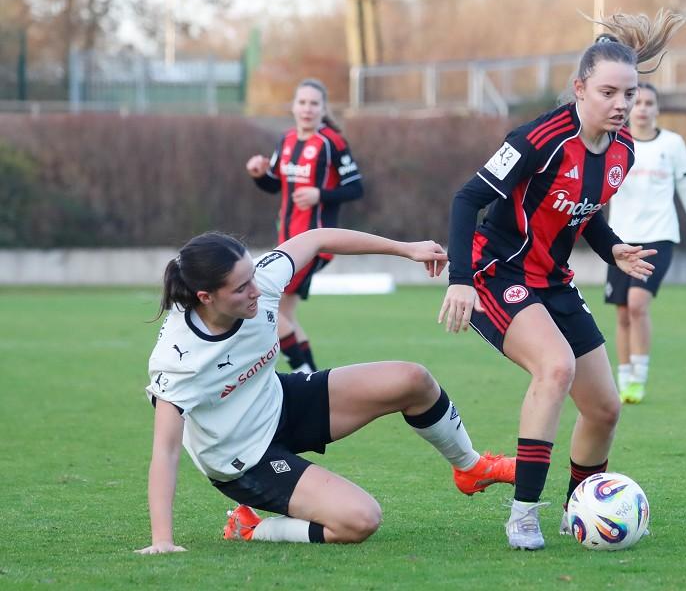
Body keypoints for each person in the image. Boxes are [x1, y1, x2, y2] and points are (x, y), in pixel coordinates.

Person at [437, 10, 686, 550]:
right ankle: (523, 514)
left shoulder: (622, 151)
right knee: (555, 367)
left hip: (554, 281)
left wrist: (612, 247)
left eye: (629, 94)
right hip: (496, 272)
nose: (621, 105)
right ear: (579, 89)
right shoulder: (539, 138)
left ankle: (581, 510)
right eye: (608, 93)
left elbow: (584, 212)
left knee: (605, 408)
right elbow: (466, 199)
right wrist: (460, 279)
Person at [136, 227, 515, 554]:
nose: (257, 290)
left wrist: (405, 249)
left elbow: (318, 238)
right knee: (359, 520)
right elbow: (165, 451)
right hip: (243, 459)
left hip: (277, 401)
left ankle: (471, 467)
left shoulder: (261, 282)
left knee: (413, 380)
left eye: (253, 276)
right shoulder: (179, 358)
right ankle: (251, 528)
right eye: (241, 288)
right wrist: (162, 541)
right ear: (206, 297)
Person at [605, 82, 686, 404]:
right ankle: (624, 380)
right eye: (637, 102)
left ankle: (639, 379)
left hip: (659, 236)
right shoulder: (613, 141)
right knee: (623, 313)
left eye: (649, 103)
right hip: (619, 239)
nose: (642, 108)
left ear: (657, 108)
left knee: (637, 305)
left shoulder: (672, 144)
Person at [246, 78, 362, 374]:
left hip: (315, 244)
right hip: (287, 241)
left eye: (314, 103)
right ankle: (311, 375)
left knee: (266, 304)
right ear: (293, 107)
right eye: (302, 103)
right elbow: (274, 185)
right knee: (285, 312)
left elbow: (355, 188)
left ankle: (303, 371)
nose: (307, 109)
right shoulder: (286, 140)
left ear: (323, 109)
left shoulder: (332, 142)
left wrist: (319, 195)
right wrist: (259, 175)